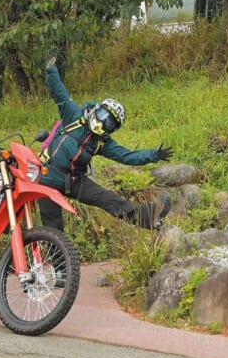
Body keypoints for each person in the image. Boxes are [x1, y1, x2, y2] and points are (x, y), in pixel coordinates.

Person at [38, 49, 173, 231]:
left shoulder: (102, 142)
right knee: (53, 228)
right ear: (97, 109)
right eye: (103, 115)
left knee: (107, 198)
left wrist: (154, 154)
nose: (103, 122)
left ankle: (149, 217)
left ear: (113, 129)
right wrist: (50, 68)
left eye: (110, 122)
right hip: (47, 177)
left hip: (74, 182)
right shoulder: (74, 116)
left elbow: (127, 156)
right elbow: (59, 92)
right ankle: (52, 257)